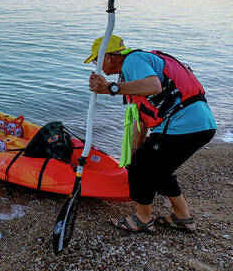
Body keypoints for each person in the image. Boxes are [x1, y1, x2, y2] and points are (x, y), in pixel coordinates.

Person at [85, 35, 216, 233]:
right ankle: (183, 218)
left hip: (183, 125)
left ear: (109, 57)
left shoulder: (133, 61)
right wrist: (136, 149)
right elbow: (141, 117)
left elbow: (154, 86)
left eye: (97, 60)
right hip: (200, 125)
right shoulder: (132, 73)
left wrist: (110, 88)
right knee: (157, 169)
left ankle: (142, 219)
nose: (98, 66)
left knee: (141, 168)